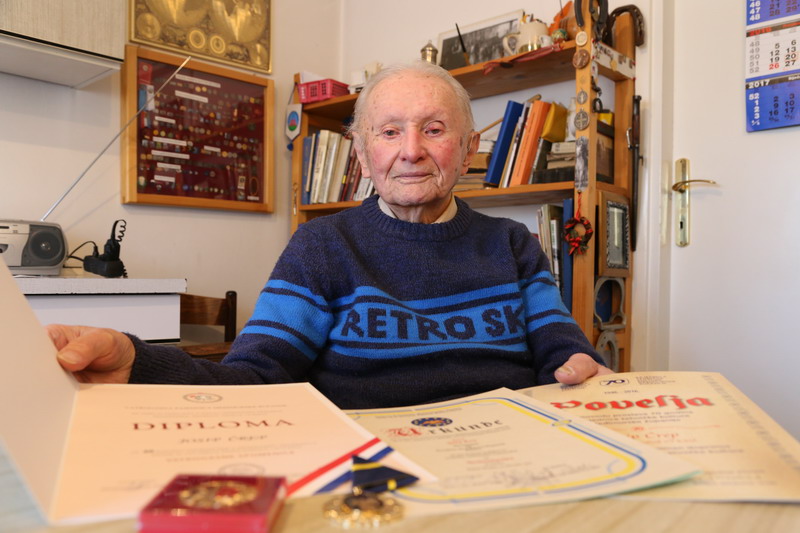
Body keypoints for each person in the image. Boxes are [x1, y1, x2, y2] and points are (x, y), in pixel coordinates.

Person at [49, 61, 611, 409]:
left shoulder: (512, 243)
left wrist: (581, 371)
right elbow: (255, 376)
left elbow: (563, 353)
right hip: (367, 467)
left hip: (501, 458)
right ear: (363, 156)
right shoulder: (322, 245)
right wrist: (139, 362)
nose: (411, 150)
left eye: (435, 130)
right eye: (389, 132)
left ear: (467, 152)